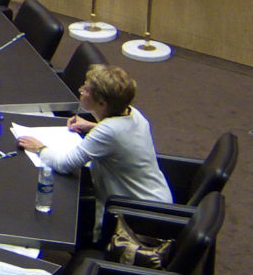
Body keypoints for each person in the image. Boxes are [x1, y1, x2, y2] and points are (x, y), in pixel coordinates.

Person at [17, 64, 173, 204]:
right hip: (158, 198)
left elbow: (65, 164)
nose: (80, 91)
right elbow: (123, 135)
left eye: (86, 90)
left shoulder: (108, 131)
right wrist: (91, 125)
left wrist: (40, 148)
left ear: (102, 104)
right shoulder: (134, 114)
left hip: (137, 214)